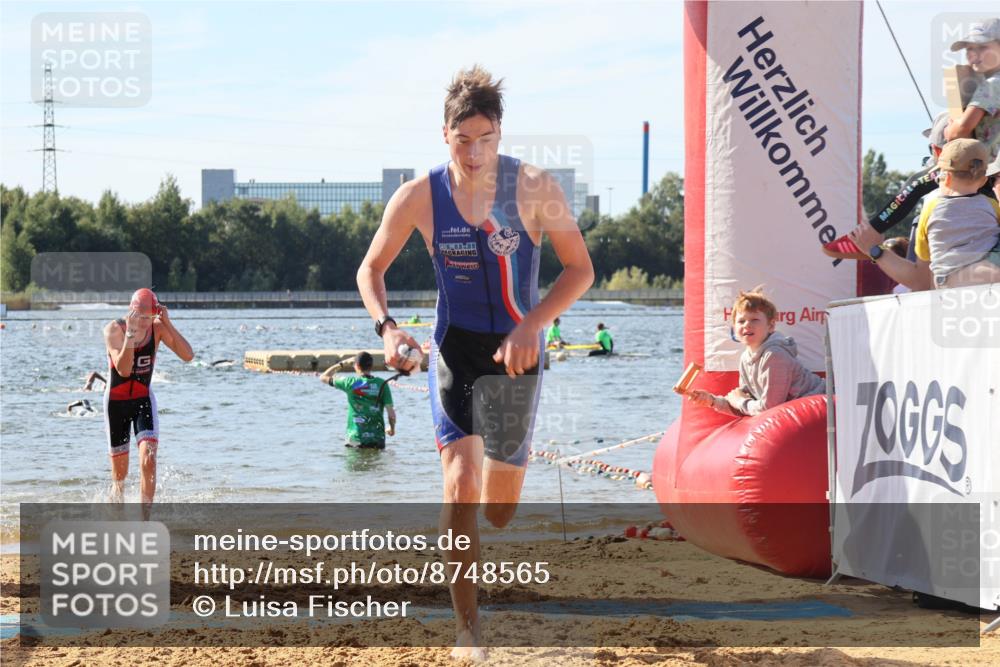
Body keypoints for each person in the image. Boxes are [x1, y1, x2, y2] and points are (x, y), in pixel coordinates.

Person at [355, 65, 594, 661]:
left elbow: (580, 269)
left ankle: (499, 462)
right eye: (462, 140)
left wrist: (534, 324)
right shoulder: (419, 196)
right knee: (460, 488)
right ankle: (468, 632)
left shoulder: (534, 188)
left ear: (500, 134)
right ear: (445, 135)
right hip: (454, 350)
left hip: (518, 353)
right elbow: (370, 270)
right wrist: (388, 328)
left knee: (500, 511)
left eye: (485, 139)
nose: (474, 153)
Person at [825, 18, 1000, 261]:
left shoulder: (992, 84)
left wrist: (951, 127)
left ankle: (869, 234)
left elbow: (961, 129)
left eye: (982, 47)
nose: (974, 55)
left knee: (915, 187)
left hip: (975, 163)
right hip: (987, 166)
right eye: (970, 49)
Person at [850, 139, 1000, 289]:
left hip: (948, 289)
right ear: (983, 181)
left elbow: (921, 279)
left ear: (946, 178)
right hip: (986, 287)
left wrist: (874, 249)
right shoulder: (992, 205)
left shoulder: (931, 208)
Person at [103, 288, 193, 515]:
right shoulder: (114, 330)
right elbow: (124, 370)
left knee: (148, 458)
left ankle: (145, 519)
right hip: (116, 403)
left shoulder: (157, 328)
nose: (145, 323)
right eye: (141, 317)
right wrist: (131, 334)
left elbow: (188, 355)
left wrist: (167, 323)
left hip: (143, 400)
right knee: (120, 477)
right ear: (132, 312)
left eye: (149, 317)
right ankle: (115, 517)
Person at [688, 290, 824, 417]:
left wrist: (740, 401)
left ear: (771, 326)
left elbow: (769, 408)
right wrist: (712, 401)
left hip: (820, 406)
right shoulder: (746, 358)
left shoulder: (774, 355)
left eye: (754, 320)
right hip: (797, 411)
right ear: (734, 328)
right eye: (741, 321)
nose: (747, 325)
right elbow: (745, 403)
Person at [319, 351, 396, 449]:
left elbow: (323, 377)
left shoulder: (350, 383)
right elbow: (391, 415)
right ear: (371, 366)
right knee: (377, 459)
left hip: (355, 438)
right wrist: (392, 429)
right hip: (377, 439)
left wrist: (343, 363)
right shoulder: (382, 384)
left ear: (357, 366)